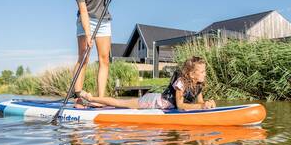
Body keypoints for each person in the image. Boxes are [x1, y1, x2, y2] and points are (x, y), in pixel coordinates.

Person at [64, 0, 128, 108]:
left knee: (104, 59)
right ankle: (78, 96)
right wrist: (87, 33)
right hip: (86, 21)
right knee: (84, 57)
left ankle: (100, 99)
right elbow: (84, 12)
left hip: (103, 21)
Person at [80, 56, 216, 110]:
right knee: (121, 103)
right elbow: (180, 105)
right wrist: (202, 106)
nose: (205, 74)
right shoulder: (181, 82)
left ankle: (95, 103)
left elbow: (199, 104)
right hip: (153, 102)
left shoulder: (199, 85)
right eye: (202, 71)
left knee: (120, 104)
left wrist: (207, 104)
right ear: (192, 74)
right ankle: (91, 98)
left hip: (160, 103)